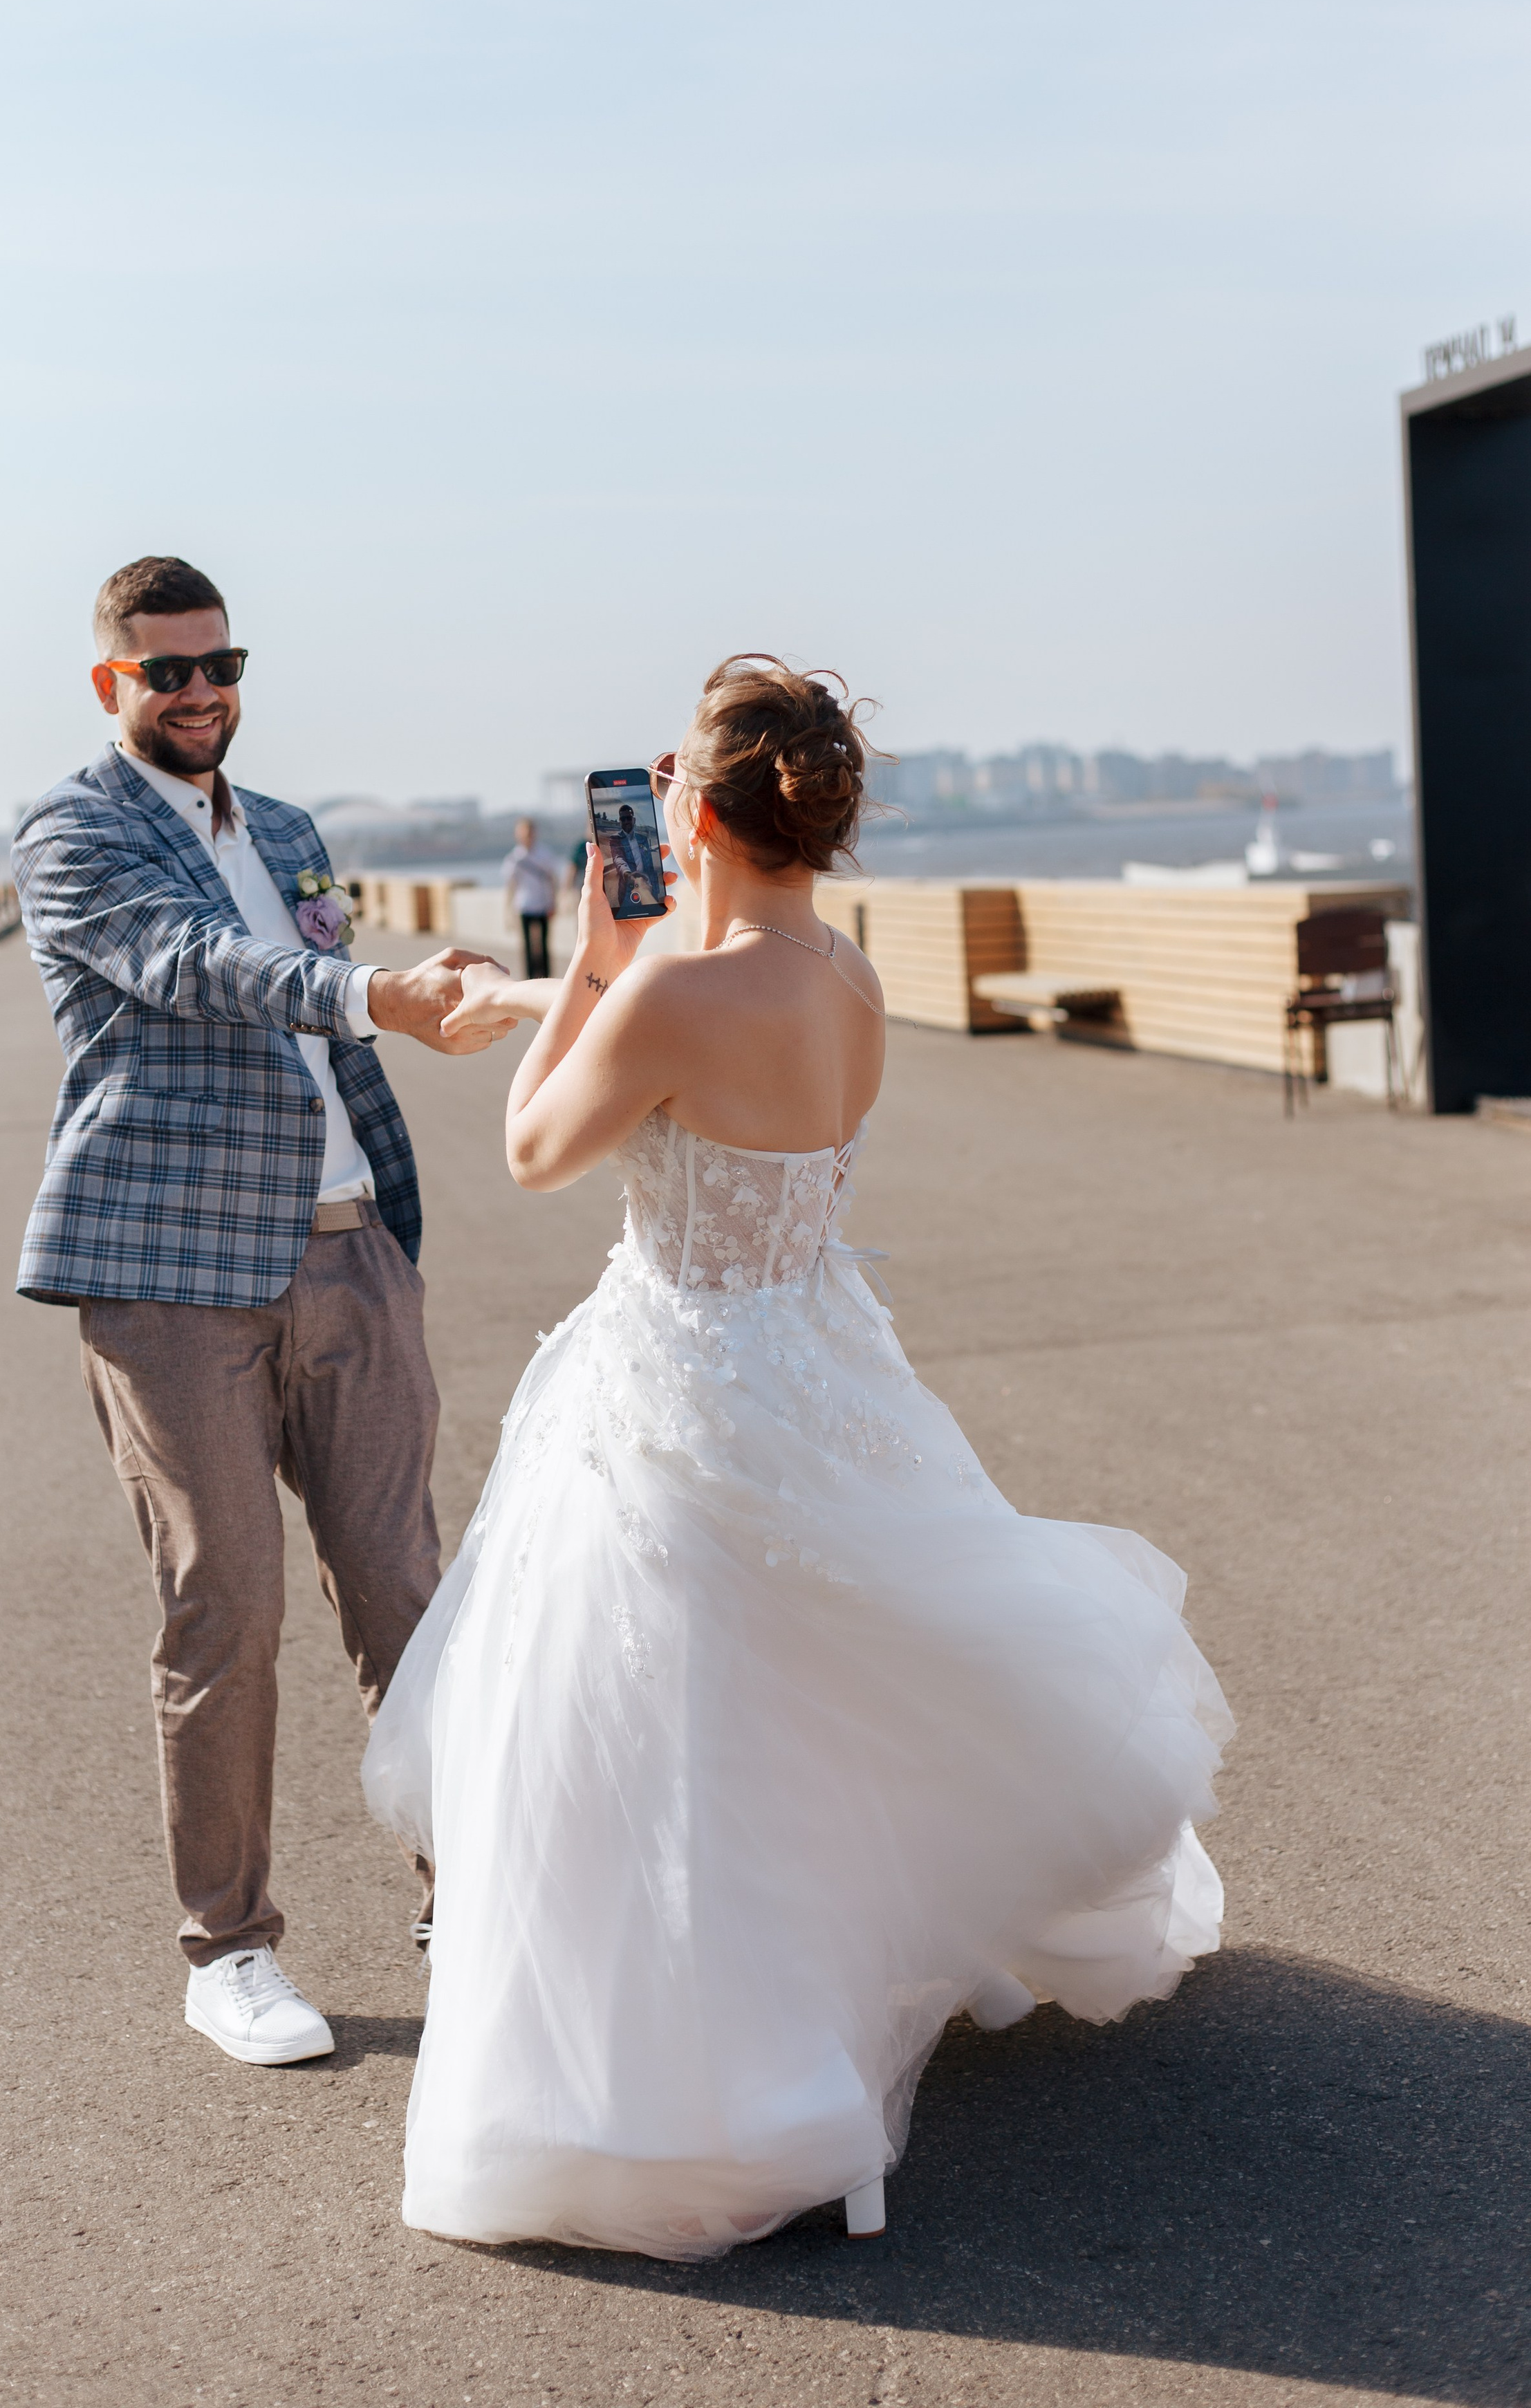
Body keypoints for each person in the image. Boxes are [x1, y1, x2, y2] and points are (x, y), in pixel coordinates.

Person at [363, 654, 1231, 2260]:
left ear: (692, 809)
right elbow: (707, 1078)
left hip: (676, 1371)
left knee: (668, 1719)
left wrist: (597, 953)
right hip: (813, 1351)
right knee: (821, 1684)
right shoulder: (836, 972)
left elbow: (539, 1145)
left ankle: (701, 2078)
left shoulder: (669, 983)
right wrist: (584, 990)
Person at [12, 555, 513, 2070]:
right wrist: (369, 992)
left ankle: (474, 1902)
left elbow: (315, 994)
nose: (199, 691)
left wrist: (395, 1207)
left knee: (403, 1589)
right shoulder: (71, 831)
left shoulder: (285, 827)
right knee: (226, 1604)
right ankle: (227, 1951)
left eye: (219, 663)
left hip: (348, 1249)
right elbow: (195, 967)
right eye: (165, 671)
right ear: (113, 684)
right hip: (170, 1274)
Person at [501, 815, 559, 981]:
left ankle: (547, 978)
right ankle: (530, 979)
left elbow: (553, 880)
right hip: (524, 906)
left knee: (544, 946)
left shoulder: (545, 854)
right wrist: (508, 911)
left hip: (543, 905)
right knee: (527, 948)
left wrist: (554, 903)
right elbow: (510, 887)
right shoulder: (514, 858)